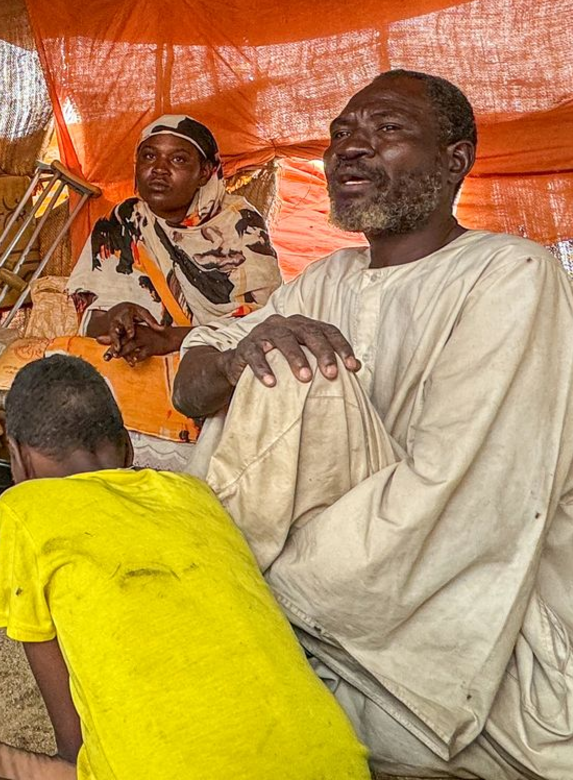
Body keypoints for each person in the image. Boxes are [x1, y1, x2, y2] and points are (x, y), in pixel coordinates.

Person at [174, 69, 573, 779]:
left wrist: (262, 596)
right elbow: (190, 383)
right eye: (341, 134)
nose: (350, 149)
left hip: (445, 615)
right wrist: (235, 358)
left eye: (386, 129)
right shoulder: (325, 278)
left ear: (455, 160)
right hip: (317, 579)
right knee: (271, 354)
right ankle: (227, 605)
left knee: (294, 365)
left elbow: (460, 499)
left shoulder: (512, 274)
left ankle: (224, 603)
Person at [0, 355, 370, 780]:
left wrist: (53, 762)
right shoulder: (195, 496)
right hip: (338, 764)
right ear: (127, 445)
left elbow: (75, 745)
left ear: (17, 458)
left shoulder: (27, 510)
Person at [60, 114, 282, 451]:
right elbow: (91, 317)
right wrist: (119, 321)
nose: (159, 169)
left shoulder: (239, 225)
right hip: (136, 359)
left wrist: (171, 339)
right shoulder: (122, 221)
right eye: (149, 156)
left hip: (211, 370)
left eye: (178, 159)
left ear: (205, 172)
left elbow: (262, 325)